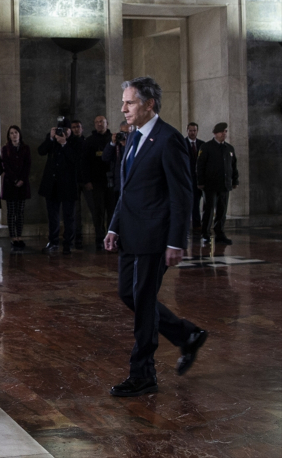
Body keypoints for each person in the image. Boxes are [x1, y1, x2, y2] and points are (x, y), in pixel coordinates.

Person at [104, 76, 207, 397]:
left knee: (144, 302)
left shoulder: (169, 139)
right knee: (129, 295)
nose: (123, 109)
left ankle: (143, 373)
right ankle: (186, 335)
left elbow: (182, 195)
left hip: (155, 237)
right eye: (123, 102)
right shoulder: (133, 138)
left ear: (149, 104)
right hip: (130, 234)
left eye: (129, 102)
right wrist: (113, 226)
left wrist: (177, 241)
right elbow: (127, 190)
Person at [38, 118, 80, 255]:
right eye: (59, 129)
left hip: (68, 185)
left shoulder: (76, 141)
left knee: (69, 216)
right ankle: (53, 241)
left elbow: (76, 160)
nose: (62, 132)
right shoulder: (52, 139)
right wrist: (50, 139)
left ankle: (68, 243)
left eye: (65, 129)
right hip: (52, 185)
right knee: (53, 216)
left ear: (70, 130)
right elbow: (41, 151)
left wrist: (65, 144)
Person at [197, 122, 239, 245]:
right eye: (221, 132)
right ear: (215, 133)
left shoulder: (229, 148)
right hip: (210, 185)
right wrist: (200, 182)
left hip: (224, 184)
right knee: (209, 210)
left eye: (225, 131)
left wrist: (234, 180)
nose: (224, 134)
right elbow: (200, 166)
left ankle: (220, 233)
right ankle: (205, 234)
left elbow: (233, 166)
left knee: (222, 211)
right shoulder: (206, 147)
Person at [81, 116, 115, 250]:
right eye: (96, 122)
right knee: (98, 210)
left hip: (111, 181)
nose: (99, 124)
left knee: (112, 210)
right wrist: (87, 180)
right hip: (96, 182)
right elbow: (84, 162)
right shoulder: (89, 141)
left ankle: (112, 237)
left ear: (107, 123)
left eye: (101, 122)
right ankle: (100, 237)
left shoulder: (112, 139)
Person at [1, 125, 31, 253]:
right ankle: (13, 237)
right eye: (11, 133)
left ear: (19, 134)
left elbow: (27, 164)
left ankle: (19, 236)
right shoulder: (5, 149)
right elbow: (5, 166)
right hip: (10, 184)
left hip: (22, 184)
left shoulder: (25, 148)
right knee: (11, 211)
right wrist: (14, 180)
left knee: (20, 212)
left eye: (16, 132)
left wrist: (22, 179)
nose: (14, 135)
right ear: (9, 136)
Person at [70, 119, 91, 249]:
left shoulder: (87, 143)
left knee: (93, 207)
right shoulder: (69, 143)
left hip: (86, 180)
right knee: (75, 211)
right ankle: (77, 236)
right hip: (73, 181)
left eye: (78, 127)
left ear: (82, 128)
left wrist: (88, 180)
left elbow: (89, 163)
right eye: (73, 127)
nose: (76, 129)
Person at [102, 120, 129, 198]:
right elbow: (105, 157)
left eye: (127, 133)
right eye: (122, 132)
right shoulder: (116, 144)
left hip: (130, 183)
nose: (124, 136)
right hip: (118, 183)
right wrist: (112, 143)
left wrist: (127, 145)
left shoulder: (135, 144)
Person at [186, 123, 205, 231]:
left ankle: (197, 226)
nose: (192, 133)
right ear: (187, 131)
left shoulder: (202, 145)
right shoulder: (182, 143)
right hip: (187, 179)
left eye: (194, 130)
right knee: (189, 204)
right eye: (190, 130)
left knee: (196, 203)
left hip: (198, 180)